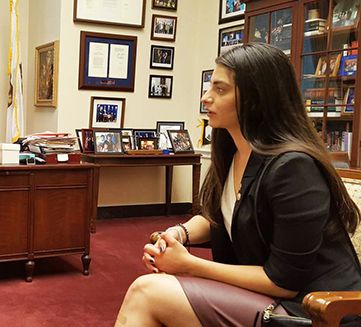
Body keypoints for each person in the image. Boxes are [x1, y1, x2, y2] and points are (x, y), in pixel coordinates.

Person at [115, 43, 361, 327]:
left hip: (313, 312)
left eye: (220, 89)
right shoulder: (233, 153)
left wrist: (188, 264)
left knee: (148, 292)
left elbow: (283, 282)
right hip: (265, 299)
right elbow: (220, 218)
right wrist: (178, 234)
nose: (206, 98)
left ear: (257, 99)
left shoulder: (294, 167)